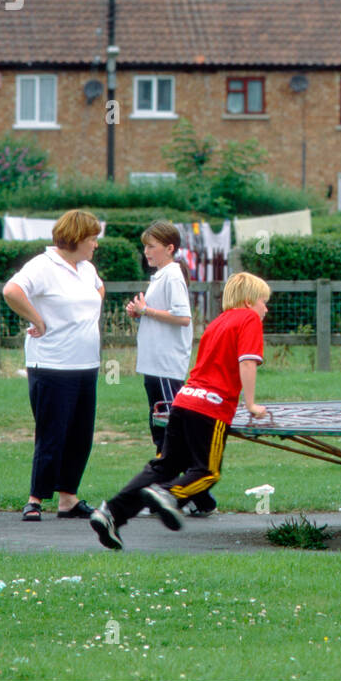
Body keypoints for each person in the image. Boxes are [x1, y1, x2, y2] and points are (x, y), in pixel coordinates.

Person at [90, 271, 270, 550]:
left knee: (164, 466)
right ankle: (170, 496)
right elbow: (247, 362)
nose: (265, 308)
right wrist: (250, 404)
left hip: (184, 401)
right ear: (248, 301)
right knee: (207, 472)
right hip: (211, 408)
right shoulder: (248, 319)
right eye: (263, 301)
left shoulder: (218, 322)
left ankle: (111, 513)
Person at [1, 209, 105, 521]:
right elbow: (11, 291)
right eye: (92, 239)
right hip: (51, 364)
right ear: (75, 239)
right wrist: (37, 319)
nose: (95, 245)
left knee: (80, 434)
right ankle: (35, 499)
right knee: (52, 432)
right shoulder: (43, 266)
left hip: (86, 364)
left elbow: (99, 290)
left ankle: (68, 500)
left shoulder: (86, 269)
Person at [126, 220, 213, 516]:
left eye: (151, 246)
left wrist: (145, 310)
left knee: (168, 434)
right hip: (155, 366)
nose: (146, 252)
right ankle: (197, 498)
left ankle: (179, 495)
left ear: (169, 248)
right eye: (145, 246)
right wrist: (140, 314)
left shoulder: (172, 276)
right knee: (164, 432)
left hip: (166, 367)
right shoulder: (161, 276)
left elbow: (183, 318)